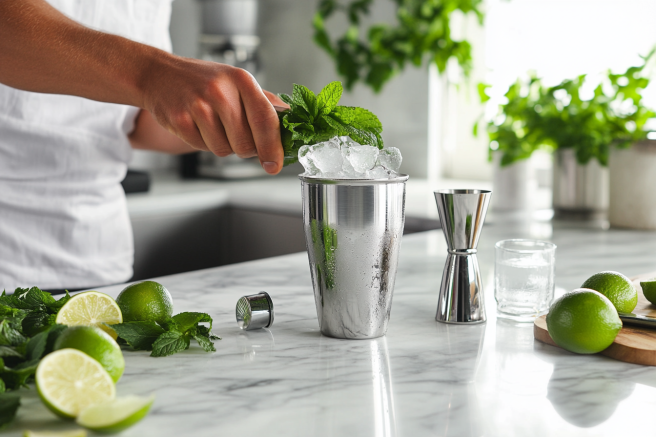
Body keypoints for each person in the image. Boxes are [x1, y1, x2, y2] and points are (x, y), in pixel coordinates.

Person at [0, 0, 287, 292]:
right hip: (7, 257)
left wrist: (227, 120)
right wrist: (153, 75)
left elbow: (135, 123)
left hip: (96, 260)